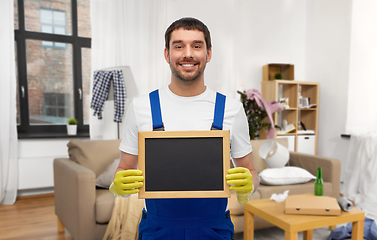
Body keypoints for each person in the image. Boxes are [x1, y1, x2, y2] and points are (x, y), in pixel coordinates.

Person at [109, 17, 259, 240]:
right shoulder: (141, 108)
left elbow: (251, 172)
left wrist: (249, 185)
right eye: (178, 46)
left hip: (214, 229)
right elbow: (123, 168)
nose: (188, 54)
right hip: (158, 229)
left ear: (208, 54)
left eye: (197, 46)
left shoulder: (232, 110)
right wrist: (117, 185)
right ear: (167, 54)